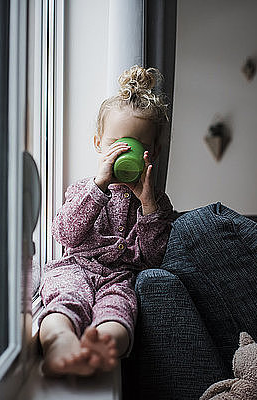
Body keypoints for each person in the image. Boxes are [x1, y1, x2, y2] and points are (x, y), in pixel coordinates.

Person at [38, 65, 175, 377]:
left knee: (119, 312)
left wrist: (148, 205)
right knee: (63, 302)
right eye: (117, 143)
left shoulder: (155, 203)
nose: (125, 152)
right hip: (77, 268)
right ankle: (60, 345)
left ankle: (101, 349)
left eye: (137, 145)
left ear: (152, 152)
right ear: (99, 143)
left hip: (120, 278)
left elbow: (156, 258)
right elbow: (65, 235)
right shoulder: (85, 189)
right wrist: (98, 187)